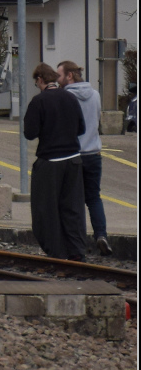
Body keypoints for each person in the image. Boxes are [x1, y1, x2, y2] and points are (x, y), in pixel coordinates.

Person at [22, 62, 87, 261]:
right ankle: (76, 251)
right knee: (73, 208)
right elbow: (81, 129)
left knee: (46, 209)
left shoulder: (38, 101)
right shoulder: (70, 98)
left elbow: (30, 133)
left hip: (50, 162)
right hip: (74, 160)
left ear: (40, 80)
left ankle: (56, 252)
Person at [58, 60, 110, 256]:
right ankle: (101, 235)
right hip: (94, 154)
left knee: (74, 200)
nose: (58, 79)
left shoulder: (65, 96)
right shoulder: (95, 95)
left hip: (74, 154)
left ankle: (78, 241)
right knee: (94, 198)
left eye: (60, 75)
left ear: (69, 76)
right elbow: (96, 120)